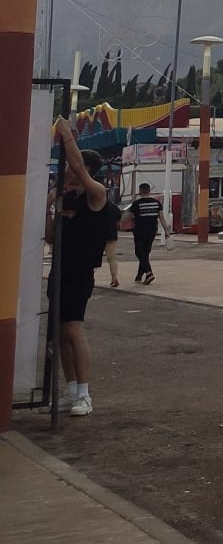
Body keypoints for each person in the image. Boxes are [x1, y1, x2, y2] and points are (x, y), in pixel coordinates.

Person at [46, 118, 112, 415]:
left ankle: (85, 394)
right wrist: (52, 205)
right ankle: (71, 390)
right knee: (59, 333)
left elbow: (79, 168)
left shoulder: (96, 194)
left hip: (79, 273)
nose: (69, 173)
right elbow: (49, 236)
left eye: (73, 168)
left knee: (73, 329)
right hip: (59, 270)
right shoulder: (67, 197)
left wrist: (67, 137)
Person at [130, 180, 165, 284]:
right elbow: (162, 218)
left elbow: (131, 217)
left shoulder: (136, 204)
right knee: (145, 252)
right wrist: (166, 232)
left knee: (139, 252)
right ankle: (139, 275)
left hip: (139, 231)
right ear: (149, 191)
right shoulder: (157, 203)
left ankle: (149, 273)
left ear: (140, 191)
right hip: (152, 231)